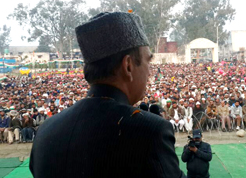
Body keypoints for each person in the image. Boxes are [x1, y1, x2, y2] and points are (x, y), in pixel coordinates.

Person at [30, 12, 184, 178]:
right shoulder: (150, 132)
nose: (149, 72)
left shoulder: (45, 130)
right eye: (148, 61)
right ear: (128, 66)